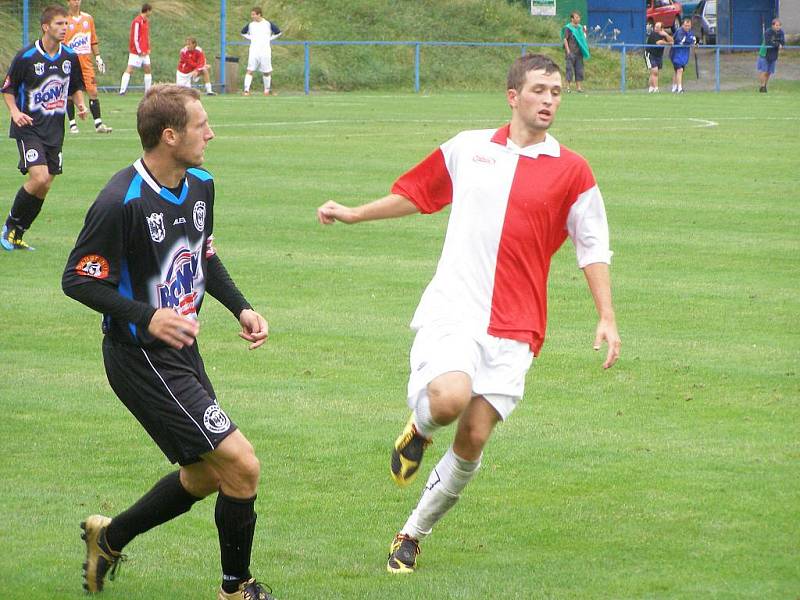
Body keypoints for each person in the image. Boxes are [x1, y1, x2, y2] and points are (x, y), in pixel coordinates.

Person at [317, 53, 621, 574]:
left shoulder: (573, 170)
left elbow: (593, 245)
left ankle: (411, 533)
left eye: (557, 92)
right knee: (449, 398)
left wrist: (606, 314)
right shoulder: (468, 148)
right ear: (512, 96)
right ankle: (420, 425)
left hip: (518, 324)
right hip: (456, 306)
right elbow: (416, 193)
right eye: (539, 90)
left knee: (475, 436)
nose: (549, 100)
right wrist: (354, 214)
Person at [62, 85, 274, 600]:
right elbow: (78, 279)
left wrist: (240, 306)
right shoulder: (121, 201)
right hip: (140, 358)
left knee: (204, 475)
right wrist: (147, 317)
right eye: (202, 125)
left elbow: (202, 256)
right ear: (170, 135)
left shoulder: (201, 182)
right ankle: (236, 588)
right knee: (242, 465)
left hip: (182, 353)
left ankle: (108, 538)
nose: (211, 133)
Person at [1, 5, 87, 252]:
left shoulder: (69, 56)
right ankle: (8, 227)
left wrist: (80, 104)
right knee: (38, 177)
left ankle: (19, 233)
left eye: (66, 24)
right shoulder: (26, 56)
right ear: (45, 27)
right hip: (28, 127)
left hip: (54, 130)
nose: (65, 28)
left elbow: (74, 87)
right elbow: (7, 88)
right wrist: (15, 113)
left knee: (45, 184)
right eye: (60, 24)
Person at [64, 0, 112, 133]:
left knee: (93, 92)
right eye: (73, 0)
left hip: (86, 63)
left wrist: (98, 57)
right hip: (72, 64)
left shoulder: (88, 19)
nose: (76, 2)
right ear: (68, 2)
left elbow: (93, 40)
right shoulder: (65, 21)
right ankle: (72, 124)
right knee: (70, 94)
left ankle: (98, 124)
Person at [241, 6, 282, 96]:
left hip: (265, 51)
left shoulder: (267, 24)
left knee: (266, 71)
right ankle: (246, 90)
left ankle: (266, 90)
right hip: (254, 51)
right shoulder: (251, 25)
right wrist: (251, 38)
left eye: (254, 14)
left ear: (259, 14)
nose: (252, 16)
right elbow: (243, 32)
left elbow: (278, 32)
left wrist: (270, 39)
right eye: (251, 14)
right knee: (250, 70)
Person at [119, 3, 153, 95]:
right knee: (130, 69)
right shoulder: (137, 21)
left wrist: (148, 48)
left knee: (148, 69)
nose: (151, 13)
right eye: (150, 11)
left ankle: (148, 92)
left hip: (145, 52)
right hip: (136, 52)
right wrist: (139, 51)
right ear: (147, 10)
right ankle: (122, 91)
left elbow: (146, 36)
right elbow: (135, 37)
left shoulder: (146, 21)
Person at [561, 11, 590, 93]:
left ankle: (579, 88)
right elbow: (565, 40)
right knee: (569, 70)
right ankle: (568, 88)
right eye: (576, 17)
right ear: (572, 18)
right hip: (571, 53)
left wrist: (584, 33)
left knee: (579, 70)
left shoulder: (580, 28)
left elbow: (583, 40)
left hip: (579, 53)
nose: (578, 19)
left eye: (579, 17)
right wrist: (568, 51)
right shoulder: (568, 28)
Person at [757, 18, 785, 93]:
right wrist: (777, 44)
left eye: (779, 25)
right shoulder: (768, 32)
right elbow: (768, 42)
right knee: (764, 71)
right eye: (776, 25)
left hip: (773, 54)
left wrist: (780, 44)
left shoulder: (781, 32)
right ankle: (762, 87)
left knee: (769, 72)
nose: (778, 27)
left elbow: (782, 41)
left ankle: (764, 86)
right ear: (773, 25)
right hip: (764, 53)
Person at [645, 22, 673, 93]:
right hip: (650, 54)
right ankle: (656, 88)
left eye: (657, 27)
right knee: (655, 71)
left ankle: (651, 88)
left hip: (658, 55)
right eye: (655, 27)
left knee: (653, 73)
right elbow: (659, 43)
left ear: (662, 29)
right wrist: (667, 43)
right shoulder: (653, 34)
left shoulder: (664, 35)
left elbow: (672, 41)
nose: (655, 28)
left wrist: (666, 35)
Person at [669, 18, 696, 93]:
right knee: (679, 70)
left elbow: (693, 40)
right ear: (682, 25)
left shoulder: (691, 32)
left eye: (689, 25)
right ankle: (680, 88)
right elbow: (682, 42)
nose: (687, 27)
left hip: (684, 55)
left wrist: (694, 44)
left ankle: (674, 87)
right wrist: (689, 42)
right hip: (676, 54)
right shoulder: (679, 31)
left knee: (677, 71)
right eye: (686, 25)